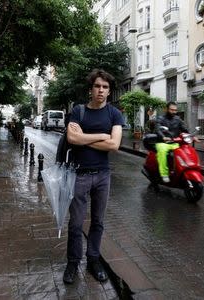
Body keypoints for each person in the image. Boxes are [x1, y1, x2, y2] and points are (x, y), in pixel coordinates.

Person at [63, 69, 124, 284]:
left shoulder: (114, 114)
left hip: (102, 175)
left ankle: (93, 260)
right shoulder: (78, 111)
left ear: (109, 91)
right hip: (79, 174)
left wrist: (83, 137)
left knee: (98, 221)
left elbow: (114, 144)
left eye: (105, 87)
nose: (101, 90)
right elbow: (72, 138)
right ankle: (72, 263)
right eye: (97, 86)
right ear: (91, 89)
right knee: (76, 224)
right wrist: (100, 135)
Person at [155, 101, 190, 183]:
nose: (174, 112)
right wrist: (163, 137)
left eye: (175, 110)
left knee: (186, 149)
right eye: (172, 110)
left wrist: (192, 136)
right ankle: (164, 174)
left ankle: (182, 170)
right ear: (166, 109)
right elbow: (157, 129)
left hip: (175, 142)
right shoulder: (160, 118)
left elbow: (184, 129)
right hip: (163, 142)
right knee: (162, 150)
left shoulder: (178, 119)